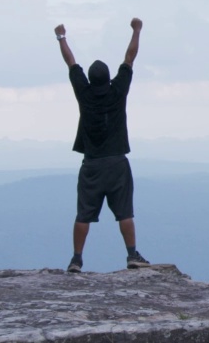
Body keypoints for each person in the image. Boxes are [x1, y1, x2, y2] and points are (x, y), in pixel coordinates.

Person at [54, 18, 150, 272]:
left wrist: (61, 37)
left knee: (83, 214)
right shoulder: (118, 90)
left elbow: (71, 62)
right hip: (117, 162)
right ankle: (132, 255)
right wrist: (137, 30)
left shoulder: (83, 93)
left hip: (92, 164)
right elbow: (130, 57)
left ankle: (76, 259)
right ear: (109, 78)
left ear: (90, 79)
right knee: (125, 213)